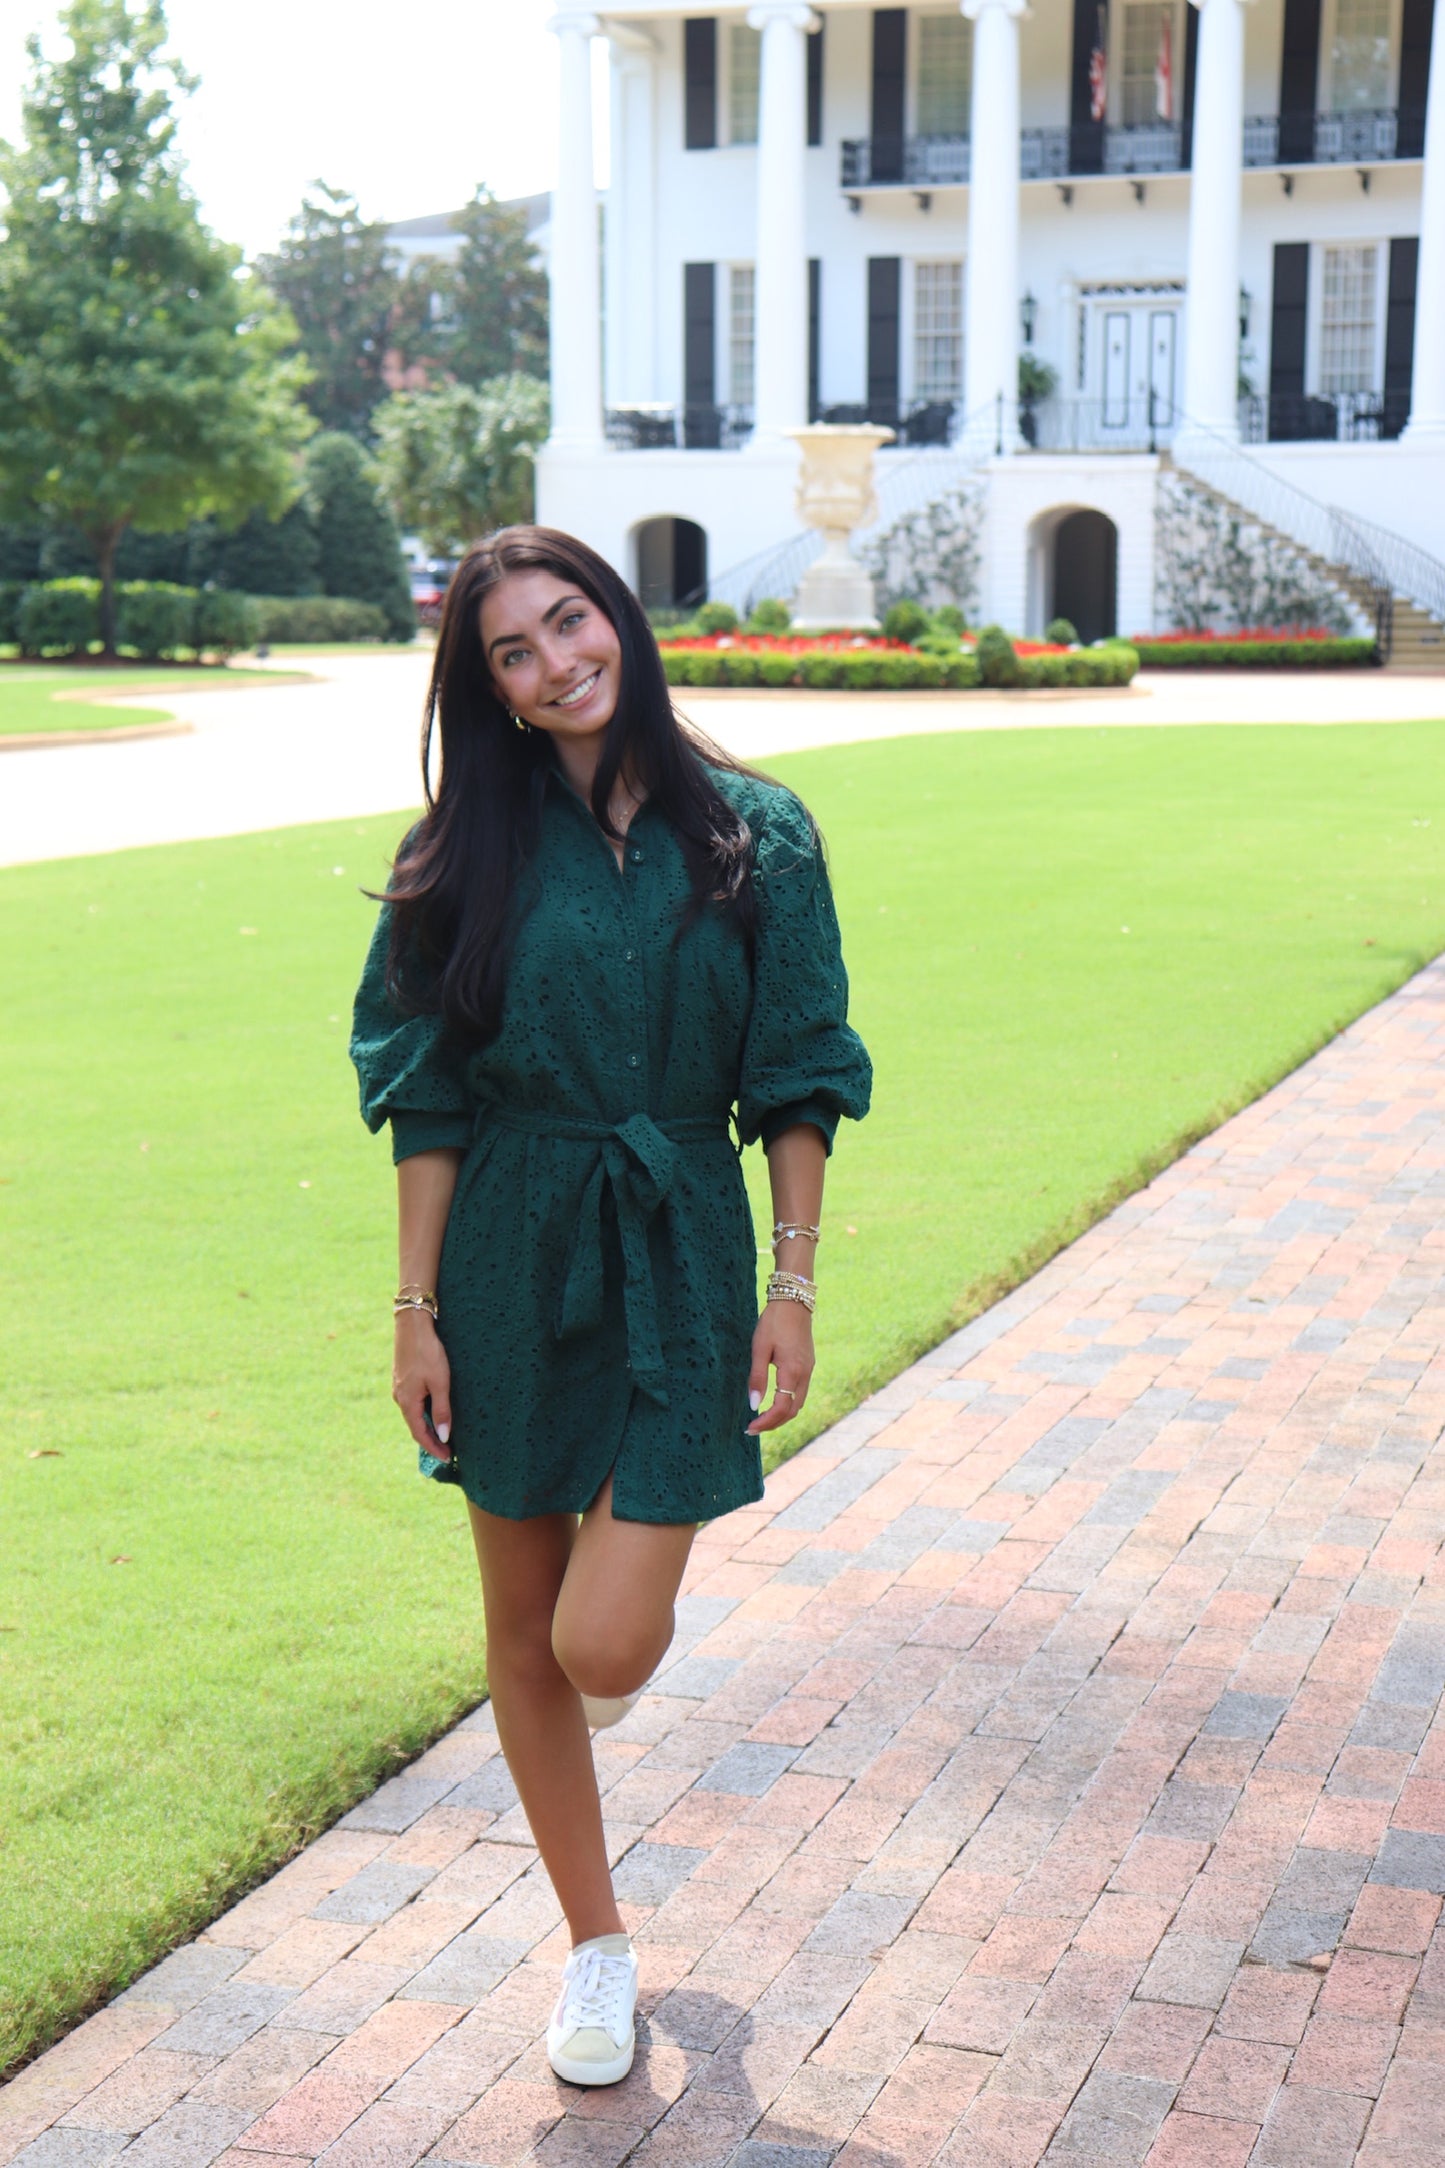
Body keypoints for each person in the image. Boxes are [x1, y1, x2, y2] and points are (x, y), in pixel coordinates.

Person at [349, 526, 871, 2088]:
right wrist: (414, 1308)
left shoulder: (760, 834)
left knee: (604, 1646)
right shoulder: (463, 857)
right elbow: (426, 1098)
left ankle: (608, 1613)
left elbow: (797, 1071)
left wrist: (791, 1281)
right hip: (509, 1246)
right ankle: (595, 1945)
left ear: (619, 622)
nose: (553, 661)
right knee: (521, 1633)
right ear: (490, 688)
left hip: (684, 1247)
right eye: (510, 651)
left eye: (567, 622)